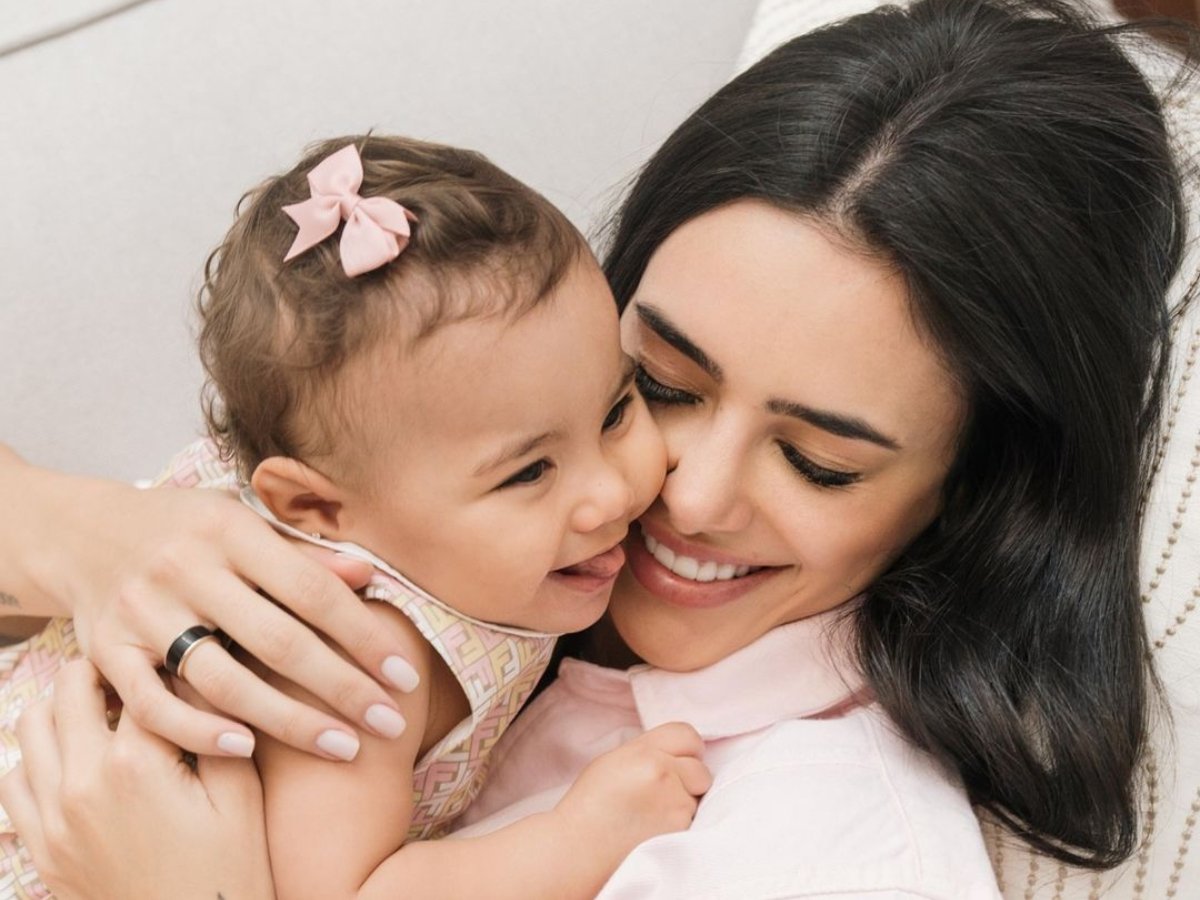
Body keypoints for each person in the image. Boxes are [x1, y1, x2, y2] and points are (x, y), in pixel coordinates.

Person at [1, 0, 1194, 896]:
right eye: (656, 384)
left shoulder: (822, 841)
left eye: (820, 461)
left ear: (968, 490)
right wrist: (90, 536)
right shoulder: (440, 510)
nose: (667, 489)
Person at [0, 134, 712, 899]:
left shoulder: (394, 499)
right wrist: (576, 840)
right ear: (314, 508)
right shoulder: (362, 652)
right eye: (530, 471)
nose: (610, 492)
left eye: (615, 411)